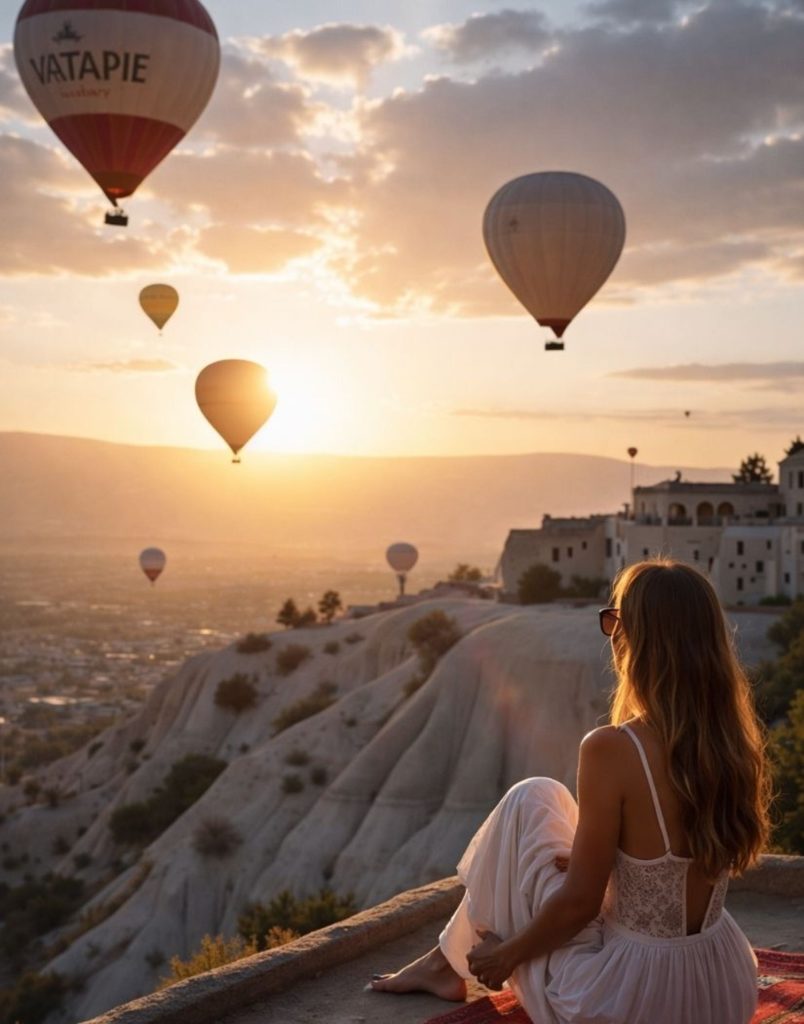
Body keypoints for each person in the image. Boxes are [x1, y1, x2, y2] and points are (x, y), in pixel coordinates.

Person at [370, 559, 771, 1023]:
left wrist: (506, 956)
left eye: (614, 620)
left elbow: (580, 905)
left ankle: (445, 962)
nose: (612, 633)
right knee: (542, 800)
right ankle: (442, 962)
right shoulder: (734, 742)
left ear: (635, 639)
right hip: (721, 988)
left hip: (636, 999)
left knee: (528, 799)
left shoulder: (615, 749)